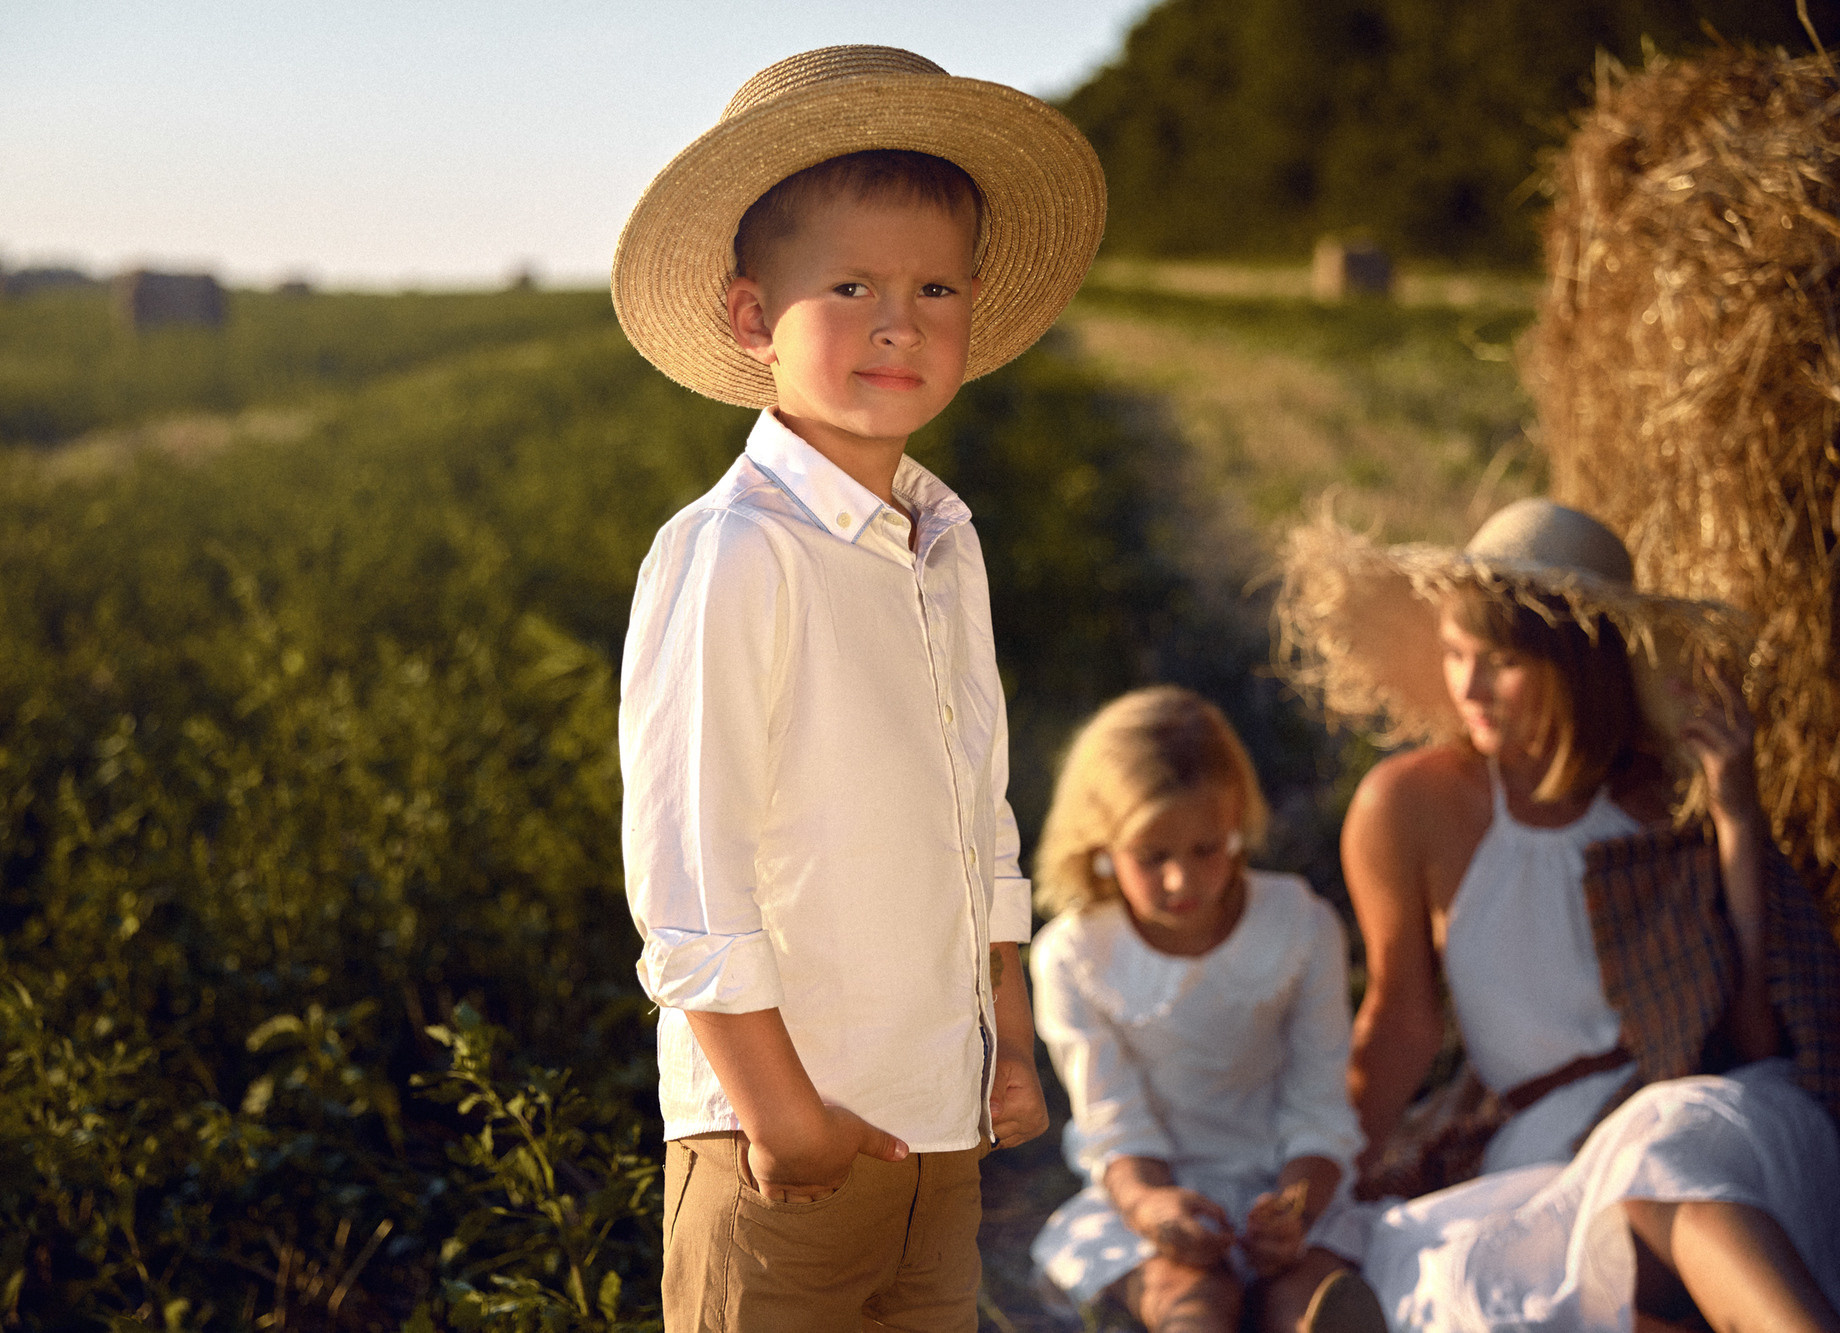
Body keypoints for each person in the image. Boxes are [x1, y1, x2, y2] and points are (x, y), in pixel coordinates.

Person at [610, 45, 1106, 1331]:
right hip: (781, 1146)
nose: (899, 321)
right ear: (746, 315)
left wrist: (1004, 1021)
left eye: (934, 286)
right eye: (849, 285)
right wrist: (786, 1118)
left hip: (938, 1127)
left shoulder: (946, 539)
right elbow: (686, 868)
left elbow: (976, 804)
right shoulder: (733, 553)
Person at [1275, 497, 1840, 1332]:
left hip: (1705, 1114)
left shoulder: (1659, 810)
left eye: (1499, 661)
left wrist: (1737, 821)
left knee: (1663, 1169)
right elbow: (1398, 1019)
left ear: (1578, 666)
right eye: (1456, 652)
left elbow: (1755, 1036)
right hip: (1546, 1153)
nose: (1466, 684)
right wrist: (1325, 1172)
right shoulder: (1414, 804)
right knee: (1425, 1264)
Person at [1027, 685, 1386, 1333]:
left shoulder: (1299, 925)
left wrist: (1297, 1209)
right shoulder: (1075, 953)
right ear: (1102, 842)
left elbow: (1320, 1105)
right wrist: (1150, 1206)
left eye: (1205, 849)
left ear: (1236, 825)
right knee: (1191, 1297)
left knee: (1310, 1294)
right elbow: (1114, 1124)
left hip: (1287, 1184)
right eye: (1152, 855)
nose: (1182, 881)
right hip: (1152, 1193)